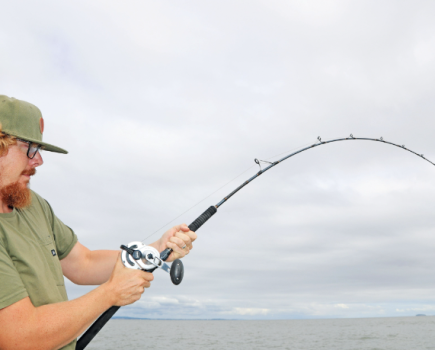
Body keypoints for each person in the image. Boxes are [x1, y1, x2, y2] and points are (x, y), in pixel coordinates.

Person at [0, 95, 197, 350]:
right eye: (30, 149)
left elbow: (83, 263)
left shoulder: (32, 204)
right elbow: (19, 338)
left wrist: (155, 250)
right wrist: (110, 294)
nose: (38, 160)